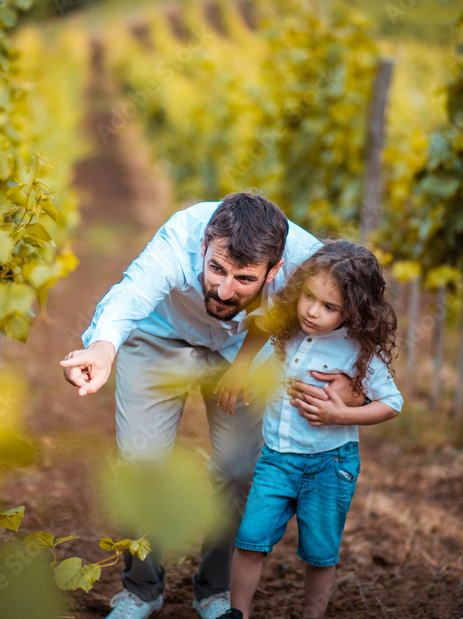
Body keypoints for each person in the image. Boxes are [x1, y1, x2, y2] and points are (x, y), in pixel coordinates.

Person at [60, 193, 364, 619]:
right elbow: (131, 294)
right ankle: (141, 591)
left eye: (244, 279)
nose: (223, 289)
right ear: (203, 247)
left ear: (275, 271)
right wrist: (104, 349)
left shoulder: (307, 260)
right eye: (216, 268)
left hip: (247, 351)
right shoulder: (180, 237)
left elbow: (359, 310)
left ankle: (215, 591)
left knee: (242, 471)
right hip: (159, 337)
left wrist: (356, 375)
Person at [213, 240, 402, 619]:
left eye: (329, 307)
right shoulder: (288, 331)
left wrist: (342, 416)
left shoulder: (356, 350)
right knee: (250, 539)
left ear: (354, 310)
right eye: (308, 298)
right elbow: (261, 339)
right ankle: (238, 613)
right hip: (276, 459)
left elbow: (392, 403)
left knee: (320, 553)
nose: (313, 312)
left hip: (330, 466)